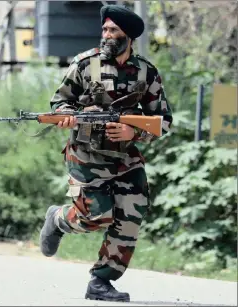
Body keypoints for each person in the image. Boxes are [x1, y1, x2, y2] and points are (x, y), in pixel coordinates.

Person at [39, 4, 173, 302]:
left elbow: (163, 121)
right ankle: (59, 219)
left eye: (113, 31)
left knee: (130, 217)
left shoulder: (146, 72)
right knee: (96, 216)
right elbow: (59, 103)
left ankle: (101, 281)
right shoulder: (86, 64)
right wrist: (66, 116)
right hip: (86, 156)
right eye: (104, 30)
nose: (106, 35)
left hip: (126, 159)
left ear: (128, 37)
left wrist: (133, 132)